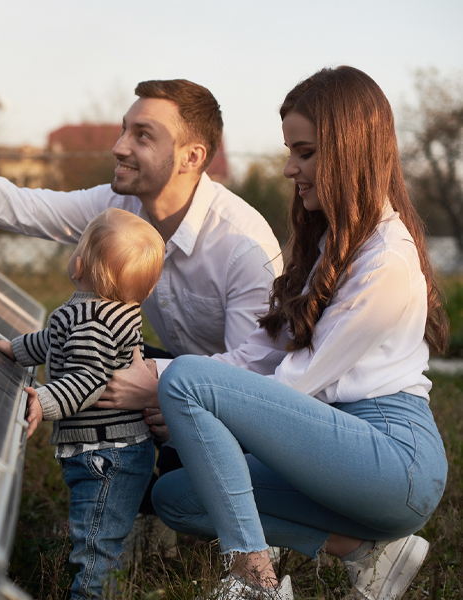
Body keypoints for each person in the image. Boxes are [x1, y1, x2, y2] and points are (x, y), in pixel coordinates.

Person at [147, 66, 448, 600]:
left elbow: (294, 386)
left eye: (304, 152)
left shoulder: (386, 263)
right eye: (291, 151)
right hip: (336, 451)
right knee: (179, 497)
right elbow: (262, 353)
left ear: (350, 150)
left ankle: (254, 580)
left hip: (391, 461)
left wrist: (180, 397)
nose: (290, 168)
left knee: (189, 384)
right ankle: (368, 554)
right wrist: (158, 378)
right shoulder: (334, 247)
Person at [0, 76, 284, 432]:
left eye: (143, 135)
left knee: (176, 495)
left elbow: (255, 372)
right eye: (124, 130)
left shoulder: (242, 247)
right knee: (85, 358)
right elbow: (24, 207)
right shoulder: (117, 209)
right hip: (175, 379)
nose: (119, 147)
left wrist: (162, 385)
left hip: (239, 407)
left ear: (191, 157)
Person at [0, 207, 165, 599]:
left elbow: (87, 380)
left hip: (106, 456)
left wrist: (44, 400)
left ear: (77, 264)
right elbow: (51, 340)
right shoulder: (97, 312)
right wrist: (15, 349)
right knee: (99, 532)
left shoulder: (92, 321)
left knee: (96, 545)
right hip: (110, 452)